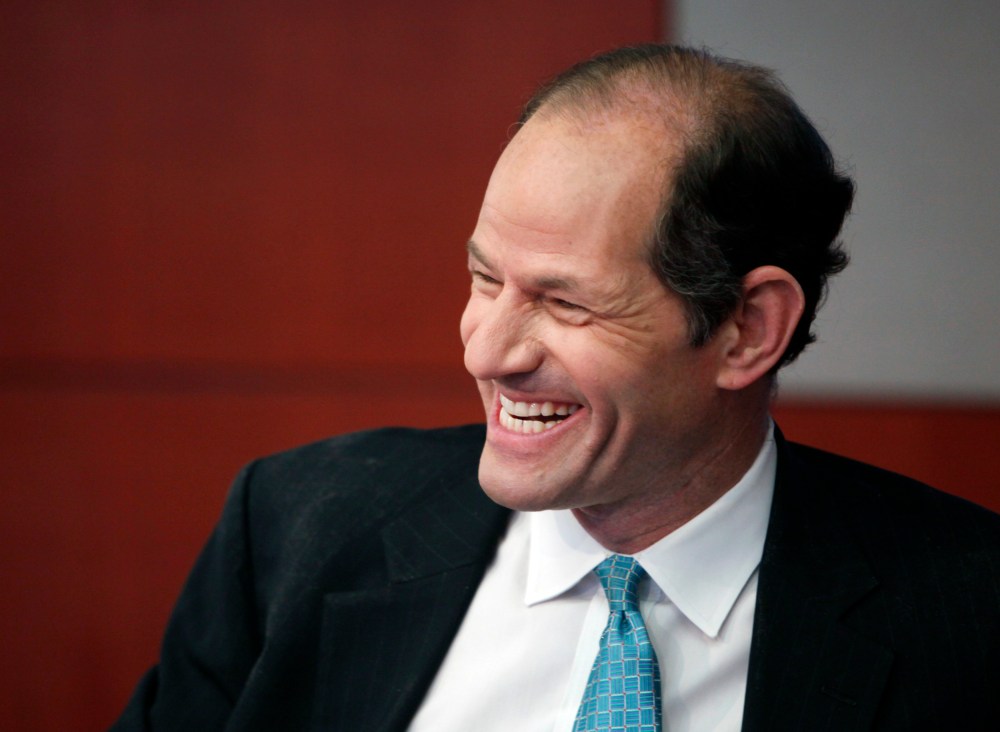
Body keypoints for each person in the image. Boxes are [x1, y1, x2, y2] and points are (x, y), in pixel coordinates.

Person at [112, 45, 1000, 732]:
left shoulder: (965, 619)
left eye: (565, 303)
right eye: (484, 279)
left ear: (747, 329)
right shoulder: (295, 528)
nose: (487, 353)